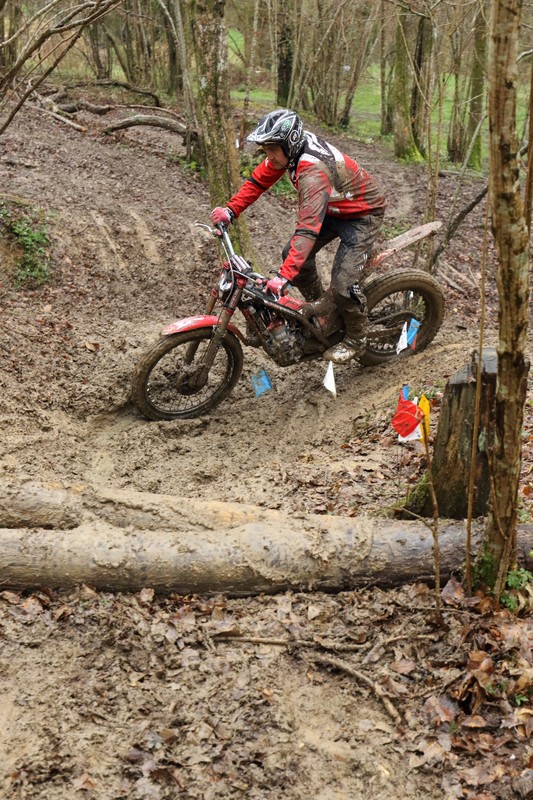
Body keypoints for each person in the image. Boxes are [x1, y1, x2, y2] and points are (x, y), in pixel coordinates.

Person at [211, 109, 386, 364]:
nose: (269, 156)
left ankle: (356, 339)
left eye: (273, 149)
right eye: (266, 149)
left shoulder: (312, 172)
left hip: (362, 214)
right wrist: (231, 210)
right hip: (334, 207)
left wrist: (284, 277)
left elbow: (307, 229)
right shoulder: (290, 153)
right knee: (292, 257)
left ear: (289, 144)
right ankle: (321, 312)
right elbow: (258, 182)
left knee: (343, 285)